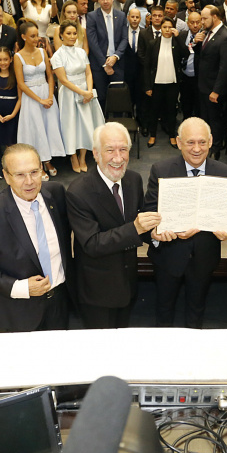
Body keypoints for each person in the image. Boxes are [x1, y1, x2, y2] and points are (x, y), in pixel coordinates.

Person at [0, 143, 73, 332]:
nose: (29, 181)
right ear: (6, 176)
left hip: (59, 304)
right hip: (16, 312)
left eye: (34, 172)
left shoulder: (56, 194)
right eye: (20, 174)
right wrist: (21, 288)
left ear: (42, 169)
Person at [142, 117, 227, 328]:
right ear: (179, 142)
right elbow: (149, 212)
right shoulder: (161, 170)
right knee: (164, 309)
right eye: (190, 142)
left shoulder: (225, 173)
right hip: (168, 256)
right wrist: (156, 232)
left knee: (197, 309)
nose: (196, 149)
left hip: (204, 257)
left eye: (202, 142)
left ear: (211, 141)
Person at [66, 122, 159, 329]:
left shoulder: (133, 180)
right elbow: (92, 244)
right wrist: (136, 228)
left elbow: (138, 225)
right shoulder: (78, 192)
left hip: (127, 284)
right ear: (96, 154)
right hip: (97, 292)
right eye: (110, 150)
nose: (118, 158)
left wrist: (154, 235)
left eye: (123, 149)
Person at [51, 19, 102, 174]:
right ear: (61, 35)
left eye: (74, 33)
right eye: (69, 33)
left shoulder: (81, 52)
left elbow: (88, 72)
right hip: (69, 93)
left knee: (87, 124)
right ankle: (73, 156)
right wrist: (83, 93)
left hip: (86, 91)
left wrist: (89, 91)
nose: (72, 36)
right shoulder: (57, 56)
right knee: (71, 125)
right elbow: (63, 80)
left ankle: (82, 157)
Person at [14, 19, 62, 180]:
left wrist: (49, 97)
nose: (36, 39)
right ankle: (38, 164)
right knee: (36, 131)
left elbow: (49, 75)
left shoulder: (42, 52)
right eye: (32, 36)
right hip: (31, 98)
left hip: (46, 94)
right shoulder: (18, 57)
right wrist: (39, 100)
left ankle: (48, 161)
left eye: (37, 35)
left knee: (48, 128)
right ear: (24, 37)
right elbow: (21, 84)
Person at [194, 5, 227, 156]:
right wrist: (197, 44)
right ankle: (206, 146)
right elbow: (203, 57)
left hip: (214, 89)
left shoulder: (226, 37)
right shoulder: (206, 33)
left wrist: (216, 91)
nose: (201, 22)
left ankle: (215, 149)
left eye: (205, 18)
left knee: (215, 120)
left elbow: (225, 67)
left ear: (215, 17)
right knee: (205, 119)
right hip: (203, 86)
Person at [141, 16, 184, 147]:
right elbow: (147, 66)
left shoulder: (177, 43)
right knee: (154, 110)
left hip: (172, 83)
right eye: (164, 27)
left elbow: (186, 54)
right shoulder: (153, 43)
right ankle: (152, 135)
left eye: (169, 27)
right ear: (161, 28)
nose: (167, 30)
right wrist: (148, 86)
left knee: (171, 111)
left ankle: (172, 135)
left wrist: (178, 38)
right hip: (157, 83)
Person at [86, 0, 127, 110]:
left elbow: (124, 39)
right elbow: (93, 43)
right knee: (101, 97)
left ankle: (117, 123)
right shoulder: (92, 16)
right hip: (99, 65)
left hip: (117, 62)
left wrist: (115, 56)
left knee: (118, 97)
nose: (105, 1)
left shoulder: (121, 15)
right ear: (98, 0)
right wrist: (105, 64)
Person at [0, 46, 19, 179]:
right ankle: (3, 167)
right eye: (0, 60)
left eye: (6, 59)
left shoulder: (16, 74)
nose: (3, 62)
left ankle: (14, 166)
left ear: (11, 59)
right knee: (0, 140)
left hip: (13, 110)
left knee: (12, 140)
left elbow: (20, 98)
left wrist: (13, 114)